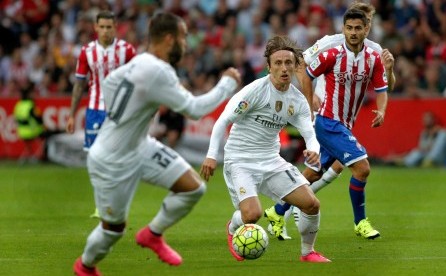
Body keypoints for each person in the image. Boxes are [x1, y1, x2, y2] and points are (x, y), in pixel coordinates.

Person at [73, 12, 241, 275]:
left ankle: (152, 234)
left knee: (193, 188)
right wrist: (227, 84)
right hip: (112, 160)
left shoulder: (139, 61)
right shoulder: (157, 70)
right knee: (113, 229)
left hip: (140, 146)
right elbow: (195, 109)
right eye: (184, 38)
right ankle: (85, 266)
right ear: (169, 38)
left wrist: (131, 114)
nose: (186, 45)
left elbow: (109, 83)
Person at [265, 2, 396, 240]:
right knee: (362, 167)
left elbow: (383, 87)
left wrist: (382, 109)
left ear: (367, 27)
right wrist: (309, 102)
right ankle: (361, 222)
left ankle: (277, 210)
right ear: (344, 28)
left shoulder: (374, 55)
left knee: (314, 174)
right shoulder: (331, 49)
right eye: (349, 27)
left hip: (344, 123)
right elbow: (303, 68)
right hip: (327, 120)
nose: (354, 32)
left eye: (359, 26)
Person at [200, 35, 330, 263]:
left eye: (288, 63)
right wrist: (211, 156)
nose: (283, 68)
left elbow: (310, 133)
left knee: (311, 204)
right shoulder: (254, 91)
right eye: (278, 63)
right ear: (268, 66)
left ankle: (308, 253)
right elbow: (222, 121)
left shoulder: (297, 100)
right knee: (252, 215)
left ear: (295, 65)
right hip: (240, 160)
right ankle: (233, 226)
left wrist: (313, 150)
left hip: (271, 160)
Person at [65, 11, 136, 219]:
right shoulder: (86, 52)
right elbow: (79, 85)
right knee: (95, 159)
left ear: (115, 27)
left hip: (120, 112)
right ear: (95, 28)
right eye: (102, 27)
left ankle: (116, 203)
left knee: (119, 159)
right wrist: (71, 115)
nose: (105, 31)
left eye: (109, 27)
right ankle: (100, 206)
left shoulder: (127, 51)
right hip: (95, 111)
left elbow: (138, 81)